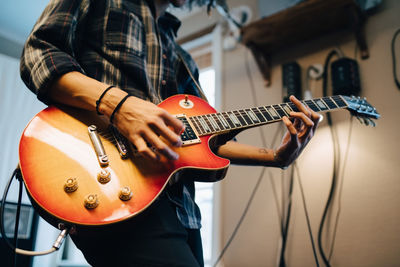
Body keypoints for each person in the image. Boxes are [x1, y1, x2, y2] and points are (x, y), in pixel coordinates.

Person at [20, 0, 321, 266]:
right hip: (111, 185)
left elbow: (201, 140)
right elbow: (39, 54)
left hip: (182, 208)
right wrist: (120, 106)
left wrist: (276, 157)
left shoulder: (183, 59)